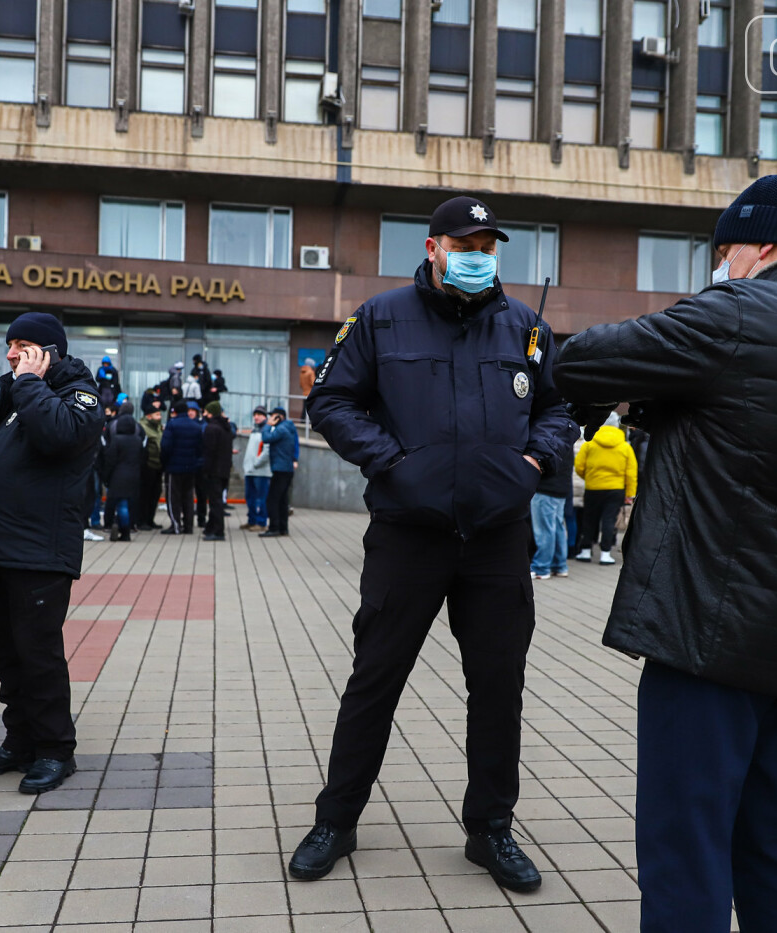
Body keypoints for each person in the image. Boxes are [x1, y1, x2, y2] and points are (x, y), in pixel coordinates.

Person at [554, 174, 777, 931]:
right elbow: (757, 440)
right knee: (770, 839)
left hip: (709, 636)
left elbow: (586, 362)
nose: (721, 262)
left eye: (725, 247)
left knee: (686, 849)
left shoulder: (741, 310)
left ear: (759, 243)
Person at [294, 196, 579, 891]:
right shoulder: (380, 318)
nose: (478, 255)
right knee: (375, 679)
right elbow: (331, 401)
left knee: (497, 688)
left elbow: (559, 406)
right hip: (407, 535)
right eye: (465, 243)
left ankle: (491, 828)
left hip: (496, 539)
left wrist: (535, 464)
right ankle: (338, 816)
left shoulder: (526, 327)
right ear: (433, 248)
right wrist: (390, 461)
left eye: (488, 244)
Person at [0, 311, 104, 794]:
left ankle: (56, 749)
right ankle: (20, 741)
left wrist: (31, 383)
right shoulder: (12, 391)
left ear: (49, 352)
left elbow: (59, 436)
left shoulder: (77, 393)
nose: (12, 354)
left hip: (38, 548)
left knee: (37, 653)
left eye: (23, 345)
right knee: (3, 648)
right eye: (9, 344)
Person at [572, 411, 637, 565]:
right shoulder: (625, 447)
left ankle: (585, 551)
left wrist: (589, 478)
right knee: (609, 521)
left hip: (593, 487)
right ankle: (605, 554)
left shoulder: (590, 443)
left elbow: (579, 466)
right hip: (616, 489)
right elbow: (631, 473)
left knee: (589, 520)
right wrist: (630, 493)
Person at [100, 401, 143, 541]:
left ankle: (123, 530)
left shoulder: (116, 440)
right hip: (134, 474)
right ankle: (128, 527)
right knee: (131, 503)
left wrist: (106, 476)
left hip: (118, 475)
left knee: (121, 504)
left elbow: (110, 459)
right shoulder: (137, 440)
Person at [160, 400, 204, 535]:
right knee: (188, 496)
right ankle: (189, 526)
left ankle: (175, 524)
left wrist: (165, 463)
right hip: (190, 467)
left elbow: (165, 446)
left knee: (174, 497)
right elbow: (200, 448)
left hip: (174, 467)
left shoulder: (172, 425)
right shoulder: (196, 426)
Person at [529, 448, 571, 581]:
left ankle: (541, 567)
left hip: (546, 488)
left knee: (544, 529)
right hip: (560, 487)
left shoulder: (547, 435)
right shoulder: (566, 434)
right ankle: (559, 565)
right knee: (557, 527)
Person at [259, 407, 298, 538]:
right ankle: (283, 528)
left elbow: (266, 438)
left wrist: (267, 425)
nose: (270, 418)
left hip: (281, 470)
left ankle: (274, 528)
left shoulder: (281, 429)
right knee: (282, 500)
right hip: (285, 469)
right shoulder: (289, 428)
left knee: (272, 500)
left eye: (272, 416)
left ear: (279, 417)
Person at [200, 401, 233, 541]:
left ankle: (218, 531)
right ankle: (211, 527)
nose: (204, 415)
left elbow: (209, 452)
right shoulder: (226, 428)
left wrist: (205, 470)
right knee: (217, 500)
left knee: (215, 502)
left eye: (206, 412)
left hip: (214, 471)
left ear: (211, 413)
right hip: (224, 470)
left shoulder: (211, 428)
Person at [240, 406, 272, 531]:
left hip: (261, 471)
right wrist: (247, 466)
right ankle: (252, 520)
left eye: (259, 414)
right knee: (250, 498)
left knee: (261, 498)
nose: (256, 417)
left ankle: (261, 522)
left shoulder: (267, 430)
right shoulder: (254, 430)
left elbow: (266, 452)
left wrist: (256, 464)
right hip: (250, 471)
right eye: (255, 415)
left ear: (265, 416)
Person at [136, 399, 165, 530]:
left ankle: (150, 520)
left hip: (158, 465)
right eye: (157, 415)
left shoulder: (158, 427)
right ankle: (142, 521)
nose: (159, 417)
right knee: (145, 495)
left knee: (155, 494)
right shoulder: (143, 427)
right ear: (149, 416)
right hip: (147, 466)